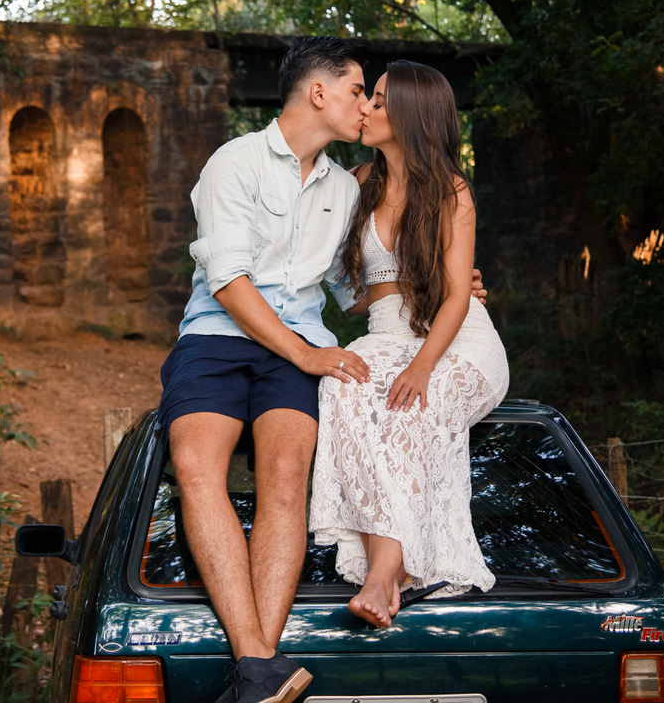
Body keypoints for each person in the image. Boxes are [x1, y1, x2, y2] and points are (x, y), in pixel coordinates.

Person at [159, 39, 486, 703]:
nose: (366, 104)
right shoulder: (235, 163)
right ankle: (259, 663)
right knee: (196, 466)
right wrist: (306, 354)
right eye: (359, 89)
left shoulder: (347, 188)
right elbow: (227, 279)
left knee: (286, 479)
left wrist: (445, 284)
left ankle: (257, 672)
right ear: (319, 94)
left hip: (302, 345)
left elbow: (356, 287)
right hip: (218, 338)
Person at [308, 60, 509, 630]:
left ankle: (383, 572)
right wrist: (405, 284)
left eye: (377, 100)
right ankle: (391, 565)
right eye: (367, 97)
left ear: (413, 116)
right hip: (386, 332)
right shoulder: (354, 184)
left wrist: (423, 366)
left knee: (410, 412)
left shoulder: (451, 189)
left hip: (457, 342)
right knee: (340, 384)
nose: (366, 108)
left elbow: (454, 300)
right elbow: (348, 295)